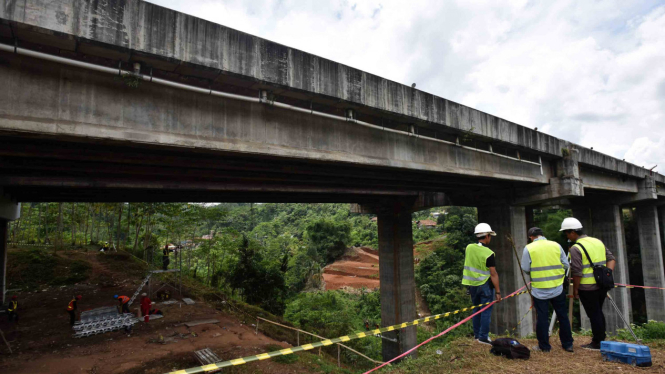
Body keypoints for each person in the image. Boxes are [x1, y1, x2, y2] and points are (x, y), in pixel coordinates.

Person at [561, 217, 616, 350]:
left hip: (587, 287)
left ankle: (597, 342)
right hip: (601, 285)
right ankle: (600, 339)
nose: (567, 236)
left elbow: (577, 272)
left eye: (566, 233)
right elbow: (611, 258)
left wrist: (576, 290)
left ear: (573, 232)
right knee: (598, 312)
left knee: (594, 314)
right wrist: (607, 274)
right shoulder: (597, 241)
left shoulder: (575, 248)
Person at [522, 227, 573, 353]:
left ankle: (544, 346)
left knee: (542, 317)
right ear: (542, 235)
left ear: (531, 237)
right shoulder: (555, 245)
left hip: (539, 290)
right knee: (563, 316)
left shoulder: (528, 248)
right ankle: (568, 345)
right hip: (557, 287)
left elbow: (526, 268)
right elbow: (566, 264)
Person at [462, 223, 502, 345]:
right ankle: (483, 337)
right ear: (487, 236)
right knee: (485, 311)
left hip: (472, 285)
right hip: (485, 285)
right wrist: (498, 292)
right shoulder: (489, 253)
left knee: (476, 310)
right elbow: (493, 274)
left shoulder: (469, 247)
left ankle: (477, 336)